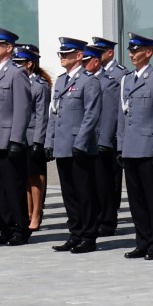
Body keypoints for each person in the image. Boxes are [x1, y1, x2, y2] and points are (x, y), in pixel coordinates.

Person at [118, 33, 153, 260]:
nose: (132, 54)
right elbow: (123, 116)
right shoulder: (127, 80)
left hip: (149, 147)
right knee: (136, 200)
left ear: (148, 53)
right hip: (131, 147)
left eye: (136, 50)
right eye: (130, 51)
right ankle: (142, 240)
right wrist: (120, 146)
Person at [46, 39, 102, 254]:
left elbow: (91, 114)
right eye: (61, 54)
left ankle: (88, 236)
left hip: (80, 146)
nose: (62, 57)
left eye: (67, 53)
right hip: (62, 144)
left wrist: (80, 142)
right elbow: (55, 112)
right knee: (69, 193)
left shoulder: (89, 81)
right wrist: (49, 141)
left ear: (79, 56)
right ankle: (75, 233)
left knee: (84, 192)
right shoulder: (60, 81)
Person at [0, 27, 33, 246]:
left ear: (9, 48)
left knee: (13, 187)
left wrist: (16, 140)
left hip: (8, 140)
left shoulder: (16, 73)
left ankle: (20, 228)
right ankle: (5, 228)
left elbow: (22, 109)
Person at [92, 37, 128, 236]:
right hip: (94, 137)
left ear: (110, 53)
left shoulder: (119, 73)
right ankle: (101, 215)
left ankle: (108, 217)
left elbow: (114, 111)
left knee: (110, 180)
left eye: (101, 51)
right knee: (99, 180)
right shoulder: (94, 75)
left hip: (110, 136)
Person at [14, 46, 50, 232]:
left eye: (20, 63)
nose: (16, 66)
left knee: (35, 178)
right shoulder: (18, 82)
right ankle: (28, 213)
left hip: (33, 137)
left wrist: (38, 142)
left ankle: (36, 214)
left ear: (30, 64)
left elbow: (42, 116)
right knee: (25, 178)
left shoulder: (39, 85)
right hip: (20, 138)